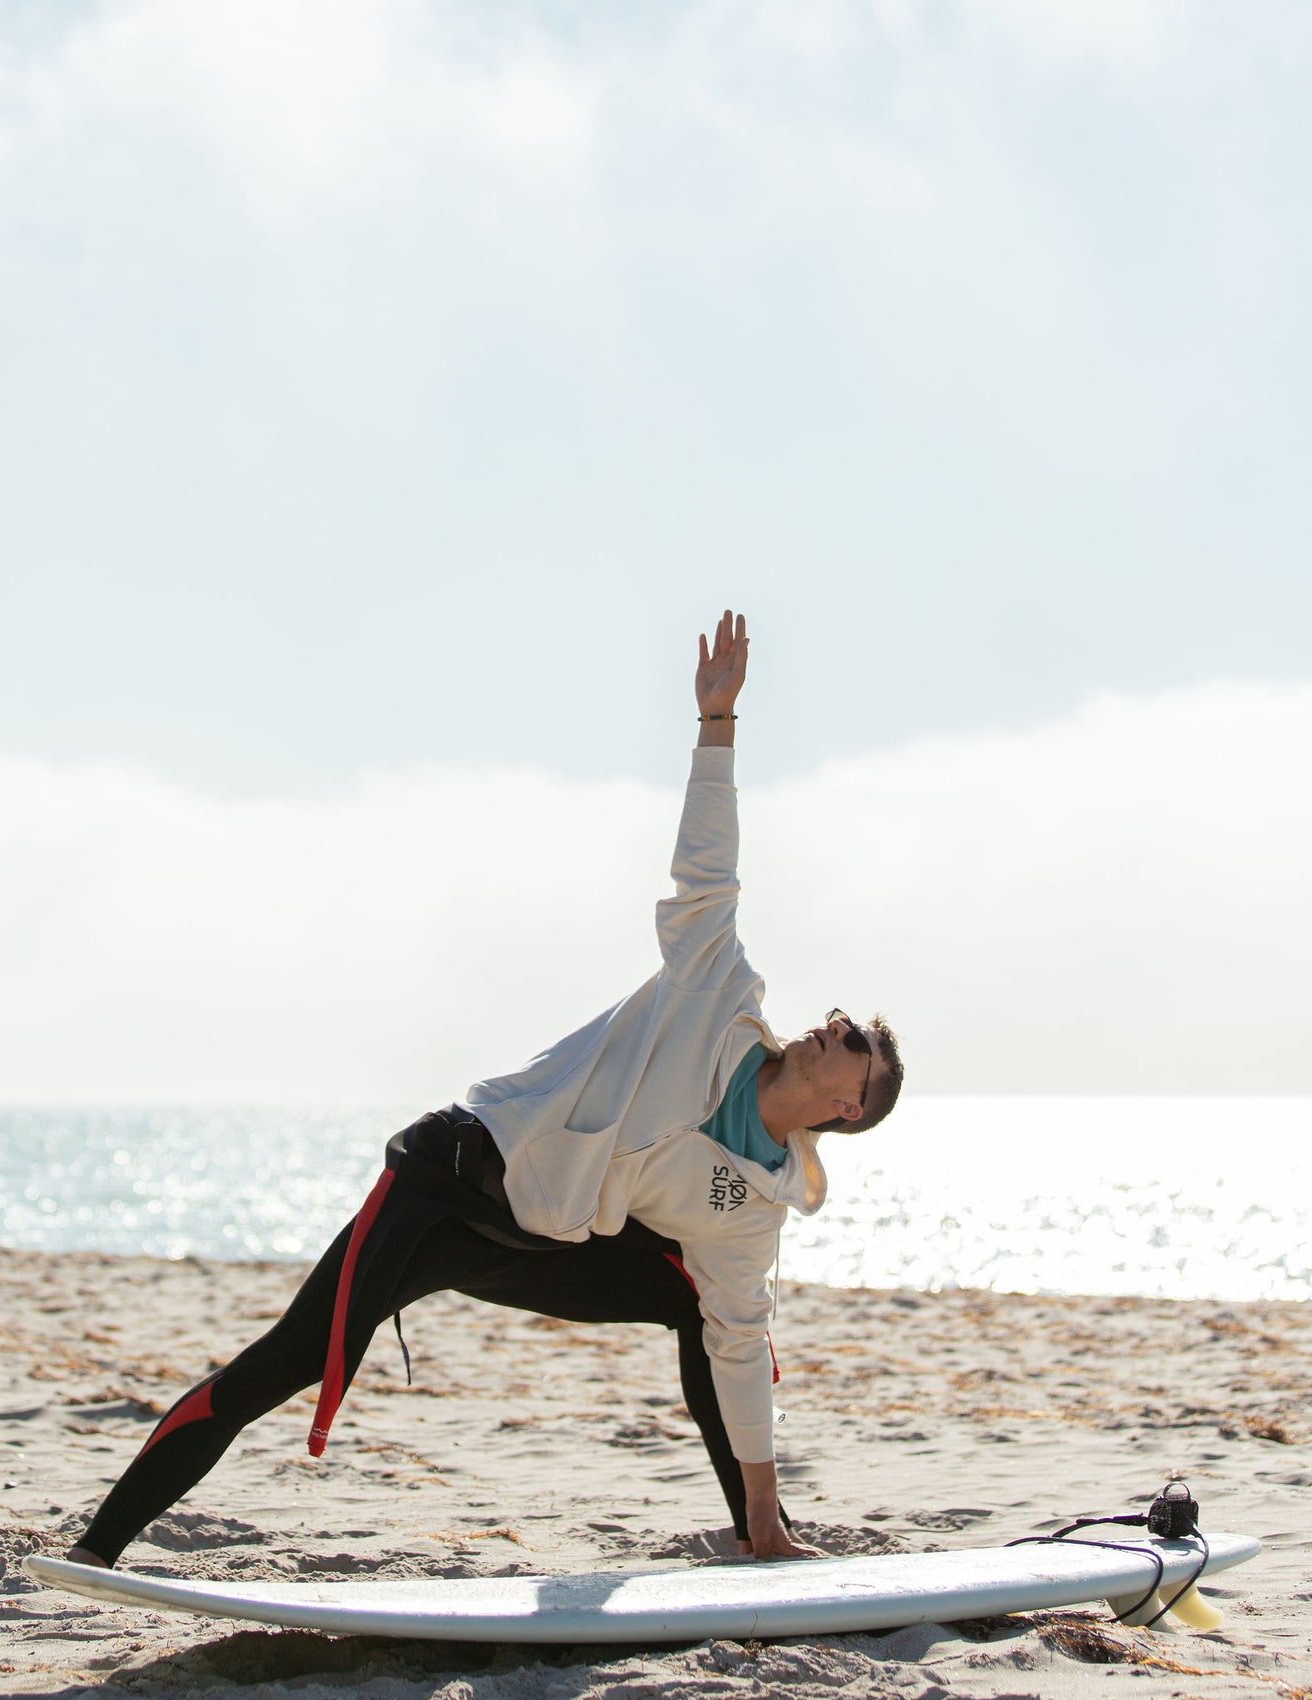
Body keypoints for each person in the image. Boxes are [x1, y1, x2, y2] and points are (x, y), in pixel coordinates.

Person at [67, 612, 902, 1568]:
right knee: (296, 1356)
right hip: (450, 1183)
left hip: (540, 1239)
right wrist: (718, 725)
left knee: (706, 1314)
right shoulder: (719, 991)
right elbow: (708, 868)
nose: (830, 1026)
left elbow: (744, 1343)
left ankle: (761, 1534)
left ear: (848, 1106)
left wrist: (763, 1494)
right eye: (839, 1020)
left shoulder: (750, 1209)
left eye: (852, 1043)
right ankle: (98, 1547)